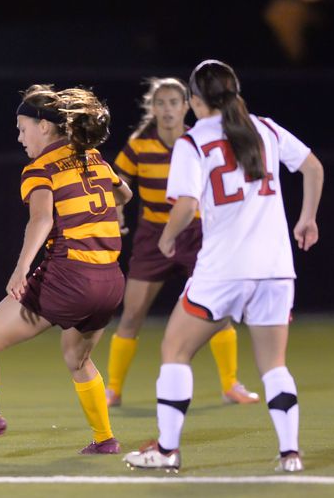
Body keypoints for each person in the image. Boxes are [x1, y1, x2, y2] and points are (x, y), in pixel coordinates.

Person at [123, 59, 323, 473]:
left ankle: (167, 450)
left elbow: (186, 205)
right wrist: (307, 218)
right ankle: (290, 454)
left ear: (195, 100)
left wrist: (165, 237)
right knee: (274, 365)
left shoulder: (192, 143)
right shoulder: (265, 128)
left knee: (175, 350)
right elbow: (312, 167)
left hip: (224, 268)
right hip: (275, 267)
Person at [0, 84, 133, 454]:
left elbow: (41, 219)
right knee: (77, 358)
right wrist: (112, 208)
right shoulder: (92, 156)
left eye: (22, 126)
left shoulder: (40, 167)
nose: (19, 136)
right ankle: (105, 439)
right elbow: (123, 193)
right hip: (110, 282)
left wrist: (21, 269)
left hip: (70, 277)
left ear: (45, 127)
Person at [106, 77, 259, 407]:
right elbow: (114, 183)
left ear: (186, 106)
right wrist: (116, 211)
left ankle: (231, 384)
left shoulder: (199, 140)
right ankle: (113, 389)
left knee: (216, 311)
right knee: (132, 314)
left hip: (197, 233)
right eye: (160, 103)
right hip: (152, 235)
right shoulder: (139, 144)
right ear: (153, 108)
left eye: (174, 103)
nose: (167, 110)